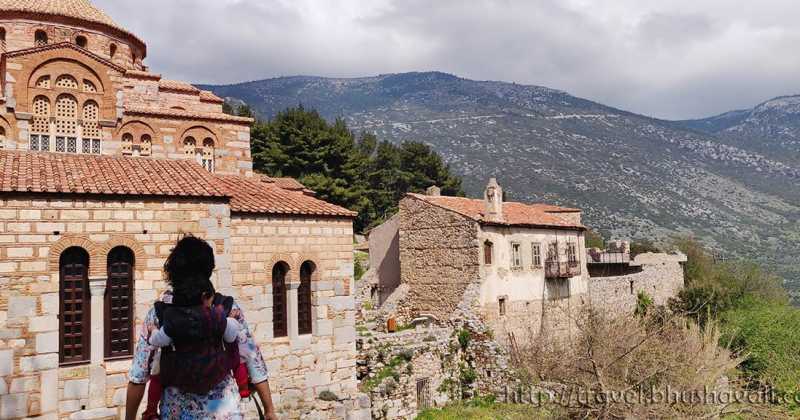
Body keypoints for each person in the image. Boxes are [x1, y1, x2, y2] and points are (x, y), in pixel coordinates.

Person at [125, 236, 277, 420]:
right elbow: (253, 359)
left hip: (177, 413)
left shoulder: (160, 314)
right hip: (225, 412)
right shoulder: (226, 309)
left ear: (173, 272)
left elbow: (138, 375)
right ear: (209, 270)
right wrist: (269, 410)